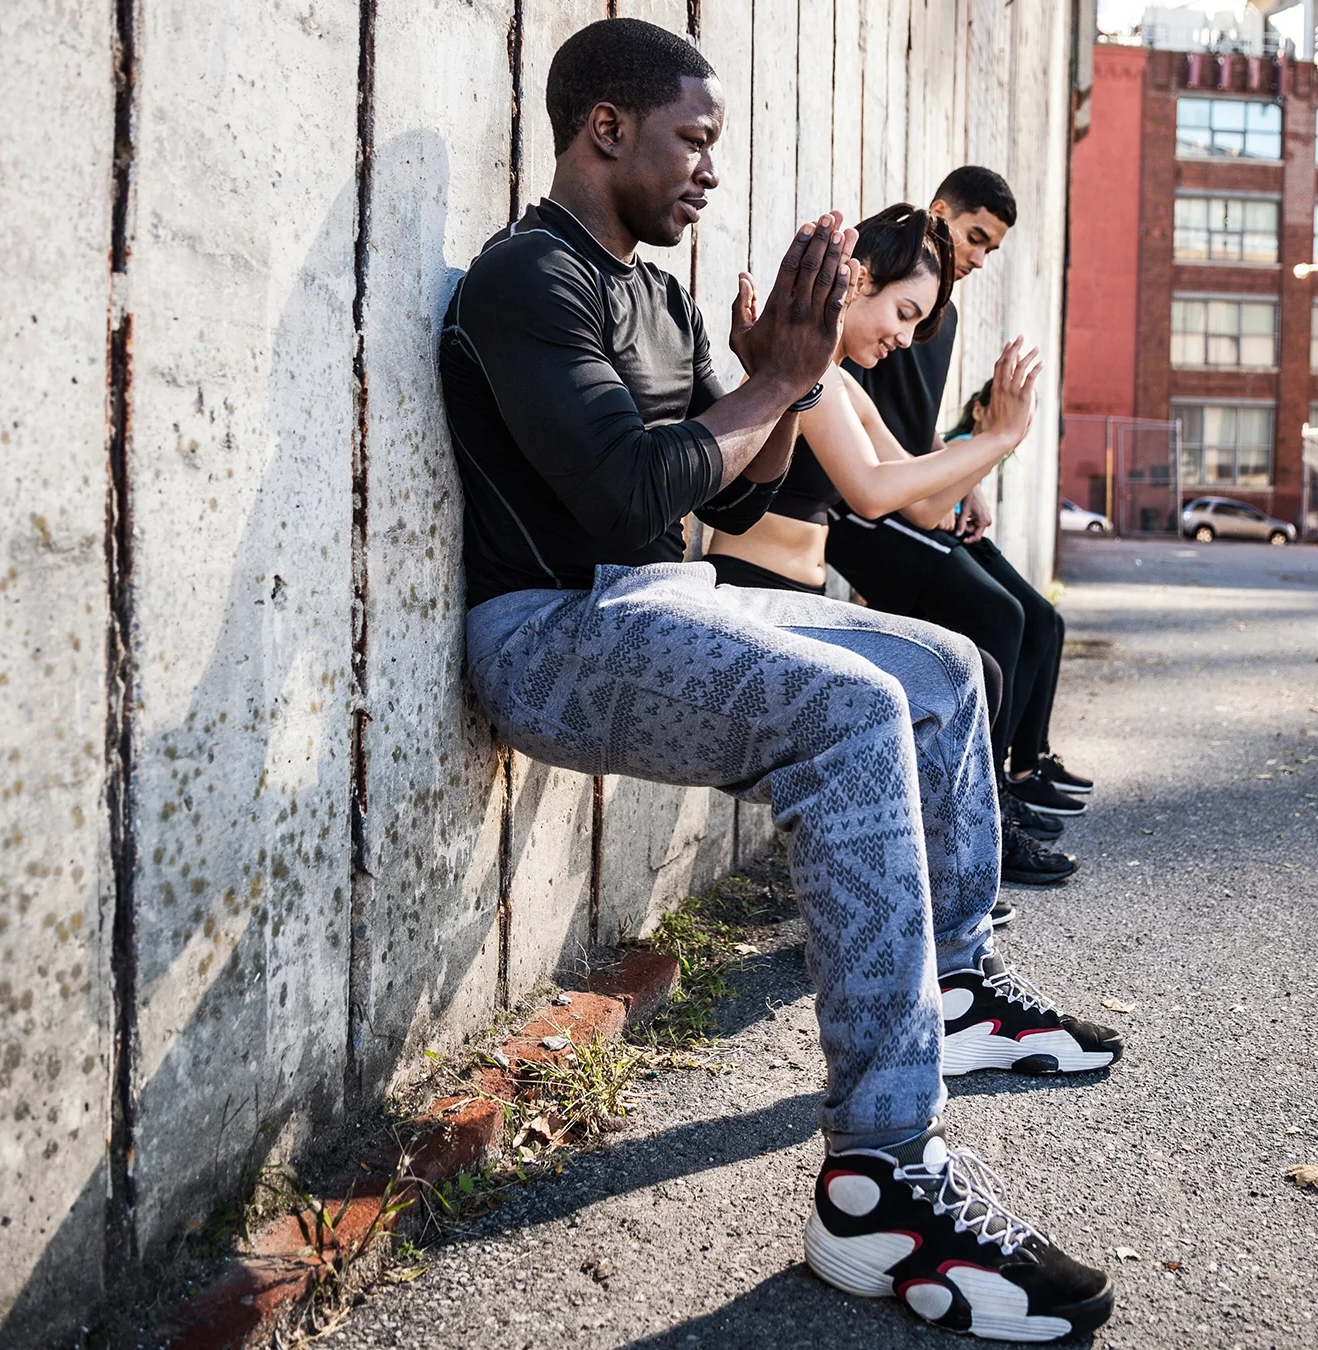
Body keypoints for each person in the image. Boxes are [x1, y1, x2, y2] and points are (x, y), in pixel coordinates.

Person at [438, 20, 1116, 1342]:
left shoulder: (663, 296)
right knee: (852, 711)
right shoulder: (528, 277)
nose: (709, 168)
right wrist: (779, 384)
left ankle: (951, 985)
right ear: (607, 129)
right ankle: (882, 1185)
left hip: (664, 602)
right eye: (692, 140)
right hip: (548, 632)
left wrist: (770, 390)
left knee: (944, 664)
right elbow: (629, 491)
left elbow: (734, 492)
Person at [699, 204, 1077, 892]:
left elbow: (925, 506)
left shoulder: (843, 384)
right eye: (903, 314)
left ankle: (944, 871)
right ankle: (947, 875)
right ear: (860, 280)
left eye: (918, 324)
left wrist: (991, 442)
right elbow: (871, 491)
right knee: (968, 675)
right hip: (753, 596)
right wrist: (995, 438)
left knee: (973, 673)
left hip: (800, 602)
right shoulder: (807, 370)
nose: (906, 338)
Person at [829, 167, 1096, 823]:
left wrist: (968, 477)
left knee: (1038, 617)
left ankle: (1012, 779)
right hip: (859, 501)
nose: (979, 257)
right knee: (1000, 618)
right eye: (976, 237)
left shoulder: (932, 318)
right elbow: (868, 475)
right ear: (939, 213)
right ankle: (985, 809)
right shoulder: (863, 320)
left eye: (991, 249)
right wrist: (989, 443)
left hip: (903, 486)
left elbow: (905, 434)